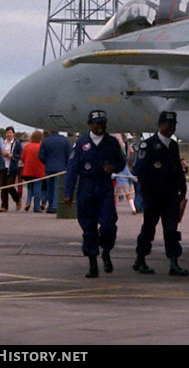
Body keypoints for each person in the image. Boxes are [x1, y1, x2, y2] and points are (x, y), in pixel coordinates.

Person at [64, 110, 126, 278]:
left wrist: (114, 167)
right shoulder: (81, 143)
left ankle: (106, 250)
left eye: (103, 123)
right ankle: (92, 263)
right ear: (90, 124)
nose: (100, 127)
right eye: (97, 123)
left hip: (104, 187)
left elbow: (121, 162)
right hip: (86, 188)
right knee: (88, 228)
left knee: (109, 225)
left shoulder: (111, 142)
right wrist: (68, 193)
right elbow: (71, 170)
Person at [132, 112, 189, 277]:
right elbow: (139, 170)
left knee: (171, 230)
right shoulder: (148, 145)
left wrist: (183, 190)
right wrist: (148, 192)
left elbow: (178, 170)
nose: (171, 129)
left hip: (170, 196)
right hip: (154, 196)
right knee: (149, 229)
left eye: (173, 125)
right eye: (168, 125)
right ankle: (140, 259)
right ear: (160, 125)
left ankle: (173, 262)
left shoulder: (173, 146)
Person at [37, 130, 70, 214]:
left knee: (50, 188)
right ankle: (55, 205)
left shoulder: (45, 141)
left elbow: (41, 155)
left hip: (49, 167)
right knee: (57, 187)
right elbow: (69, 154)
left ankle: (50, 206)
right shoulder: (65, 140)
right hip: (61, 167)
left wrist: (46, 162)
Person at [21, 131, 47, 212]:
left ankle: (28, 202)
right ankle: (36, 207)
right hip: (39, 171)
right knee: (37, 190)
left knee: (30, 188)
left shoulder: (27, 146)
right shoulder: (41, 147)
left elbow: (22, 157)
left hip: (28, 171)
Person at [0, 127, 22, 212]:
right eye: (7, 133)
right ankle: (4, 206)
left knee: (9, 185)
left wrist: (13, 156)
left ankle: (17, 199)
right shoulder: (3, 143)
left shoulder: (17, 143)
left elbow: (20, 154)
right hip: (3, 166)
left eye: (10, 132)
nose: (9, 134)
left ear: (13, 134)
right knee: (3, 186)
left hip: (12, 167)